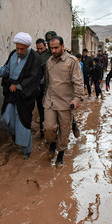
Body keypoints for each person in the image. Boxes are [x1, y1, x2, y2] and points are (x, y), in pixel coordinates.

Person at [0, 32, 41, 160]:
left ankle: (26, 150)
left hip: (25, 97)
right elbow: (6, 70)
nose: (19, 51)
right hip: (11, 94)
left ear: (27, 47)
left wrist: (18, 86)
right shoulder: (13, 55)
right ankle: (17, 137)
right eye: (17, 48)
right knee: (6, 119)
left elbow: (34, 77)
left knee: (23, 122)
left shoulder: (35, 58)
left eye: (22, 49)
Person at [43, 36, 83, 168]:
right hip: (50, 100)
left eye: (56, 47)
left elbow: (78, 82)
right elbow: (48, 81)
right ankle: (52, 144)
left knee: (64, 130)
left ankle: (60, 154)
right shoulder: (49, 61)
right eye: (51, 48)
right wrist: (45, 94)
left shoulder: (72, 61)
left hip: (65, 101)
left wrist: (77, 99)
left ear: (63, 46)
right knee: (48, 128)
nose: (53, 50)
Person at [35, 38, 48, 136]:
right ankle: (42, 129)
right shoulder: (35, 56)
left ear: (45, 46)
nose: (40, 51)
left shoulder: (49, 56)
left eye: (41, 49)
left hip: (47, 87)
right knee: (40, 108)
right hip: (38, 88)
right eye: (38, 49)